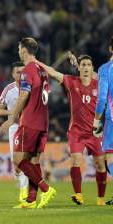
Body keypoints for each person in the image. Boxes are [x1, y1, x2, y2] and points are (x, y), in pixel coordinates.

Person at [37, 54, 107, 205]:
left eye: (89, 65)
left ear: (92, 68)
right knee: (75, 161)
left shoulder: (100, 85)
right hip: (76, 132)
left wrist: (78, 64)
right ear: (79, 68)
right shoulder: (71, 82)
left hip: (95, 132)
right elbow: (53, 72)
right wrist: (35, 61)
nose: (86, 67)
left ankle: (100, 198)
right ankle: (79, 196)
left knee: (100, 165)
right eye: (83, 65)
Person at [0, 37, 56, 209]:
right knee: (33, 161)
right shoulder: (42, 69)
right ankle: (31, 200)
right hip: (43, 121)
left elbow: (24, 95)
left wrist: (11, 119)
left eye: (19, 49)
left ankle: (45, 189)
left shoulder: (28, 71)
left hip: (30, 121)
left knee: (18, 161)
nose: (18, 51)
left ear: (23, 50)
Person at [0, 61, 29, 203]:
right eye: (18, 72)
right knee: (15, 163)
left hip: (29, 127)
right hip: (14, 127)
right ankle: (23, 184)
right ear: (13, 74)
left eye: (23, 72)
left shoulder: (31, 87)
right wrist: (13, 112)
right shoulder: (8, 89)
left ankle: (25, 192)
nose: (21, 75)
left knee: (28, 161)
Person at [94, 36, 113, 205]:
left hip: (112, 121)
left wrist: (96, 120)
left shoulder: (106, 69)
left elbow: (101, 99)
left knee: (110, 158)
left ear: (110, 49)